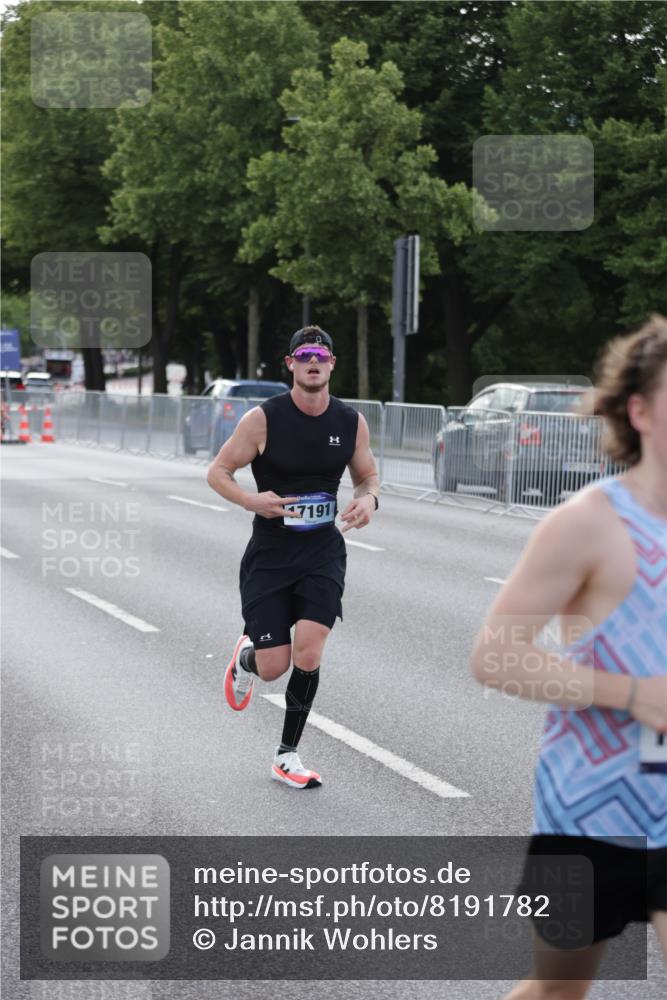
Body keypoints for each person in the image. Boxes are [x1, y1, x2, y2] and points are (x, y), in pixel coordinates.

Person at [471, 314, 667, 998]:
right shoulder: (588, 522)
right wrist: (632, 693)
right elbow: (496, 658)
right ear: (638, 410)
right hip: (586, 814)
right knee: (557, 990)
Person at [206, 325, 379, 789]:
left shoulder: (350, 422)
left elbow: (367, 476)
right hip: (270, 553)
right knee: (273, 665)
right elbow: (218, 471)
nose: (313, 361)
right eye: (304, 354)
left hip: (323, 551)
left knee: (308, 651)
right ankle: (247, 660)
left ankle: (287, 755)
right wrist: (251, 501)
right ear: (291, 364)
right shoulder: (263, 420)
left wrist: (370, 500)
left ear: (332, 365)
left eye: (321, 354)